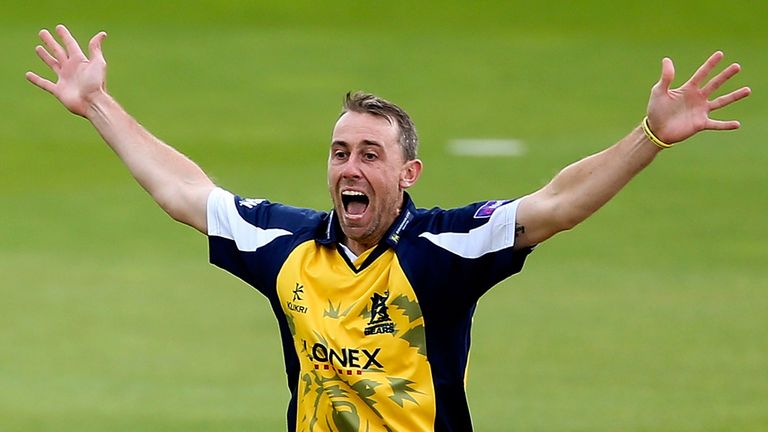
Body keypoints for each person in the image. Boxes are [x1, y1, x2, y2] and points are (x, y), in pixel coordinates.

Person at [26, 24, 750, 432]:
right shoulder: (285, 249)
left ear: (409, 175)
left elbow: (556, 203)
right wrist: (97, 106)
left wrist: (649, 135)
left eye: (371, 155)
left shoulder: (445, 250)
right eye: (341, 152)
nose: (351, 167)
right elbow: (185, 192)